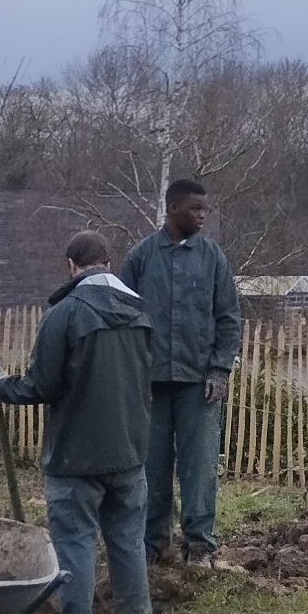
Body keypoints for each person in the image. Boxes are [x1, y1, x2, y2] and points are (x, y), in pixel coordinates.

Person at [0, 231, 154, 614]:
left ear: (70, 266)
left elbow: (42, 385)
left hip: (75, 455)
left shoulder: (62, 315)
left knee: (75, 540)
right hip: (130, 451)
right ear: (109, 264)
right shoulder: (142, 313)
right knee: (128, 539)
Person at [119, 176, 241, 565]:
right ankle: (153, 546)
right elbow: (122, 316)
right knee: (150, 467)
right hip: (150, 384)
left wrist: (220, 369)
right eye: (195, 209)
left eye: (206, 209)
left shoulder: (212, 258)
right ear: (173, 209)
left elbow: (228, 319)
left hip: (199, 384)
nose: (203, 216)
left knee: (199, 467)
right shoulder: (140, 258)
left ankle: (199, 545)